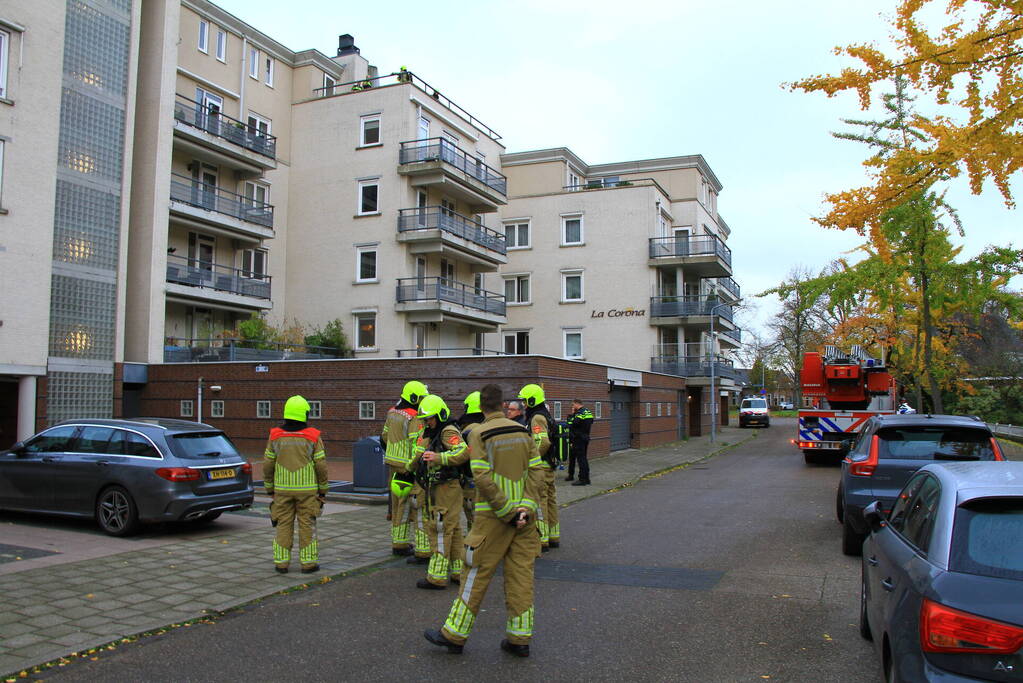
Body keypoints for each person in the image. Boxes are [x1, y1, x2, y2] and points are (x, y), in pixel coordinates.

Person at [424, 383, 544, 657]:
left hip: (494, 519)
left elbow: (481, 477)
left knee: (474, 572)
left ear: (480, 407)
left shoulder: (478, 433)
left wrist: (507, 512)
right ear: (503, 405)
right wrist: (524, 508)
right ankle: (519, 639)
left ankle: (454, 635)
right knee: (521, 576)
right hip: (526, 518)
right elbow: (537, 473)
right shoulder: (523, 432)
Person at [263, 395, 329, 574]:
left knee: (283, 524)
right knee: (307, 525)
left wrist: (269, 488)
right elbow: (321, 465)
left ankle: (281, 563)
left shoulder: (275, 435)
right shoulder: (313, 436)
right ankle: (308, 564)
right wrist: (323, 490)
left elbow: (268, 463)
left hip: (282, 490)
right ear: (305, 414)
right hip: (307, 491)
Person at [411, 394, 469, 589]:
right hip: (440, 487)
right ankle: (457, 572)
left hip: (446, 488)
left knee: (440, 528)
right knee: (453, 529)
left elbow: (462, 452)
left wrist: (439, 457)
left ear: (440, 415)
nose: (428, 422)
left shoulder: (447, 431)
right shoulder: (432, 432)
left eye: (430, 418)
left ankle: (436, 576)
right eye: (425, 419)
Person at [381, 380, 428, 558]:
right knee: (416, 505)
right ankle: (421, 548)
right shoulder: (414, 417)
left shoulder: (392, 412)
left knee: (397, 504)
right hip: (409, 467)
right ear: (414, 397)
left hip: (393, 464)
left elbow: (384, 435)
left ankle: (398, 543)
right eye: (421, 397)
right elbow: (417, 442)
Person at [518, 383, 559, 550]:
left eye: (525, 401)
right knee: (550, 500)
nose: (524, 405)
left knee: (541, 501)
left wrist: (532, 459)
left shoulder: (537, 418)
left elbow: (543, 441)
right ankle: (553, 536)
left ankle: (542, 539)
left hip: (540, 466)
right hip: (548, 464)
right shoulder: (545, 415)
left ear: (533, 401)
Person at [456, 391, 484, 531]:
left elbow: (462, 457)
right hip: (492, 480)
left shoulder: (468, 431)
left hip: (471, 481)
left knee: (472, 514)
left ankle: (475, 545)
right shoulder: (492, 427)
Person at [566, 399, 594, 486]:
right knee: (584, 459)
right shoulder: (588, 412)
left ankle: (582, 480)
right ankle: (587, 478)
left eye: (573, 405)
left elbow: (573, 424)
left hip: (579, 439)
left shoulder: (579, 413)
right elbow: (591, 421)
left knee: (581, 459)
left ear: (577, 404)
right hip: (585, 437)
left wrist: (573, 416)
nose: (573, 407)